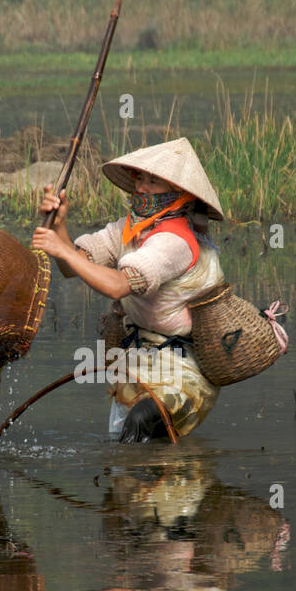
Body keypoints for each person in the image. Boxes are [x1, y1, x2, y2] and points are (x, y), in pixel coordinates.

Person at [31, 138, 226, 441]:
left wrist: (63, 250)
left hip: (183, 371)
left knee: (141, 421)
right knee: (130, 453)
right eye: (140, 179)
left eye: (153, 181)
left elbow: (118, 286)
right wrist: (60, 226)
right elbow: (72, 268)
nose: (142, 188)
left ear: (180, 194)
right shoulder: (126, 229)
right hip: (137, 362)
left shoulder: (176, 241)